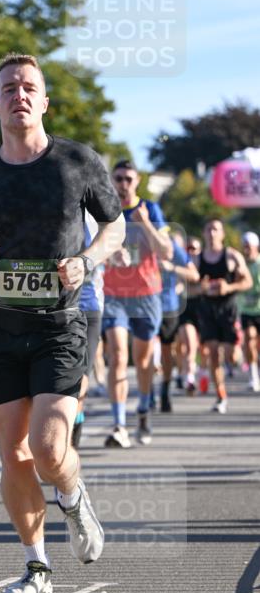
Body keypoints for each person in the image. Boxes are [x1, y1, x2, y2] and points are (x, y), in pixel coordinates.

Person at [0, 52, 124, 593]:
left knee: (48, 447)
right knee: (13, 454)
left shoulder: (77, 162)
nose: (19, 94)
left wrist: (87, 261)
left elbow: (115, 226)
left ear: (44, 101)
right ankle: (36, 564)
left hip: (60, 324)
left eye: (29, 87)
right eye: (9, 87)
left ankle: (72, 493)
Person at [102, 160, 173, 448]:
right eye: (118, 179)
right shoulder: (105, 210)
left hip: (146, 294)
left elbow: (166, 252)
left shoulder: (151, 210)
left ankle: (143, 408)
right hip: (114, 295)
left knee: (143, 361)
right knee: (118, 356)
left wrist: (145, 224)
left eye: (128, 179)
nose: (123, 184)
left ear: (137, 181)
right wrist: (110, 252)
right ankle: (119, 424)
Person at [195, 219, 252, 413]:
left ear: (222, 234)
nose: (212, 233)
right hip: (207, 310)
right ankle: (221, 396)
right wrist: (199, 288)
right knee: (212, 354)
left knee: (231, 356)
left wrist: (229, 287)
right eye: (209, 229)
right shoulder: (197, 259)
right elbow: (186, 288)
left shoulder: (232, 256)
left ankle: (237, 350)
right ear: (204, 233)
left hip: (228, 309)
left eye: (216, 229)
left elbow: (248, 282)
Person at [71, 214, 105, 449]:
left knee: (81, 379)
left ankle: (74, 429)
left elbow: (112, 242)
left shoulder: (95, 219)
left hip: (90, 307)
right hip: (60, 306)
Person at [156, 231, 199, 412]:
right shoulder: (135, 238)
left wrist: (171, 267)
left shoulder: (171, 244)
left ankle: (165, 389)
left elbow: (194, 275)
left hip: (168, 305)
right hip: (141, 302)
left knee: (167, 351)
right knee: (146, 350)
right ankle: (147, 394)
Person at [176, 235, 203, 395]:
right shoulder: (182, 264)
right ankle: (189, 378)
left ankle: (201, 372)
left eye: (194, 248)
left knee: (203, 349)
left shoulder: (204, 264)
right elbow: (179, 286)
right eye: (188, 248)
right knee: (187, 344)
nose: (191, 251)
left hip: (201, 308)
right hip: (184, 308)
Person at [239, 231, 260, 393]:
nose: (247, 250)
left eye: (249, 247)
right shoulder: (241, 265)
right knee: (249, 339)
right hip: (247, 310)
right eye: (244, 247)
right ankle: (253, 376)